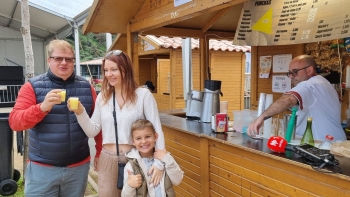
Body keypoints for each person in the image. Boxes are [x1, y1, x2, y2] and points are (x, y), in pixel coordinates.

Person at [9, 39, 102, 197]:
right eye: (58, 58)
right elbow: (15, 122)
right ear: (49, 60)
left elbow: (98, 124)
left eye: (69, 59)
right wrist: (42, 108)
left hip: (78, 168)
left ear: (73, 61)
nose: (64, 63)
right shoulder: (32, 86)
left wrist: (99, 151)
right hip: (42, 169)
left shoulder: (87, 88)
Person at [68, 50, 166, 197]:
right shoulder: (103, 97)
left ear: (125, 69)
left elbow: (157, 130)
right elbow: (92, 130)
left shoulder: (143, 95)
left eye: (114, 69)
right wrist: (80, 112)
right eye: (106, 70)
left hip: (136, 158)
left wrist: (159, 163)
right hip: (107, 159)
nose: (109, 74)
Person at [248, 55, 346, 141]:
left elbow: (288, 100)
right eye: (290, 73)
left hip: (321, 144)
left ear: (309, 70)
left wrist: (261, 118)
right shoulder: (324, 83)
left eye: (295, 72)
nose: (291, 77)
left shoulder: (309, 85)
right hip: (335, 141)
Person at [122, 119, 183, 197]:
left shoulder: (165, 158)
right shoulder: (131, 166)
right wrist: (130, 185)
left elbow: (177, 180)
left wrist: (167, 159)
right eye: (138, 138)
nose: (144, 141)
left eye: (147, 136)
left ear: (155, 137)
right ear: (133, 141)